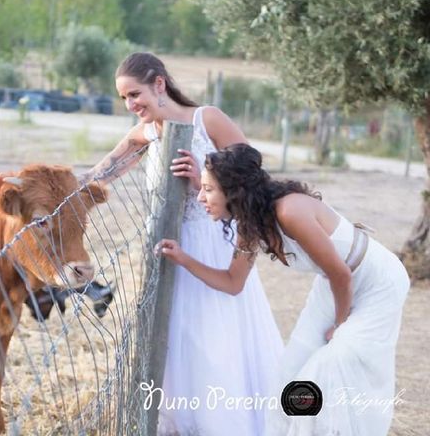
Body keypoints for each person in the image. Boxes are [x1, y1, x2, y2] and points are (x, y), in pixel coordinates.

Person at [79, 52, 283, 435]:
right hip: (169, 251)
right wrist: (70, 193)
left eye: (134, 94)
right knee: (178, 341)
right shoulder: (149, 132)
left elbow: (254, 178)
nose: (130, 105)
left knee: (214, 341)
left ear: (159, 84)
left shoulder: (208, 119)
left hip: (213, 245)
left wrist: (205, 184)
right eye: (124, 98)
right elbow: (103, 170)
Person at [158, 143, 410, 436]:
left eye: (208, 189)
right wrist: (183, 258)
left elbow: (341, 273)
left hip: (378, 282)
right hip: (334, 285)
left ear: (234, 191)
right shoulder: (249, 227)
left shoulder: (290, 211)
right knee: (292, 373)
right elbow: (232, 282)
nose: (201, 198)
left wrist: (339, 326)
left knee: (332, 362)